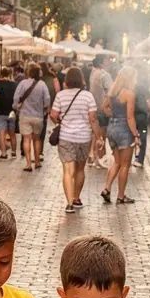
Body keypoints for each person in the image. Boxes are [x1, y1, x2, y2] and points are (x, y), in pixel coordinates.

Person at [50, 65, 99, 213]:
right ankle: (77, 198)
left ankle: (69, 203)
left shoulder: (61, 95)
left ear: (67, 80)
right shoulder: (88, 96)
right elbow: (93, 118)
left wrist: (60, 122)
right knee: (79, 170)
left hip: (65, 137)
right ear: (81, 80)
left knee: (67, 170)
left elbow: (53, 114)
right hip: (84, 137)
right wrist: (98, 136)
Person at [101, 66, 140, 205]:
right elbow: (130, 117)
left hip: (112, 128)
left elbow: (104, 107)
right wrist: (136, 134)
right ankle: (121, 196)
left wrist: (114, 117)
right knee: (125, 165)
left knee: (117, 162)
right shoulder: (129, 94)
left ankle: (106, 189)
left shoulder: (112, 91)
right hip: (124, 130)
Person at [13, 62, 51, 172]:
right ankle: (37, 161)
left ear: (29, 72)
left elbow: (16, 98)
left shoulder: (23, 83)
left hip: (25, 115)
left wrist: (16, 108)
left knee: (26, 139)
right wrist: (44, 109)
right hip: (38, 116)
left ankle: (28, 164)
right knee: (37, 139)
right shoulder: (42, 84)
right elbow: (47, 99)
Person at [89, 54, 113, 168]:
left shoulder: (93, 73)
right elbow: (111, 92)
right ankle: (101, 158)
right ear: (102, 62)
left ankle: (93, 157)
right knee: (102, 134)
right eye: (107, 59)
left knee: (96, 133)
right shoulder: (104, 74)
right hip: (103, 108)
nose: (109, 61)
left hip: (94, 106)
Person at [0, 66, 18, 159]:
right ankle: (14, 152)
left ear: (0, 74)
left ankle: (3, 153)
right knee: (12, 133)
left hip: (1, 112)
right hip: (12, 112)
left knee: (2, 134)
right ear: (10, 74)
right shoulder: (14, 84)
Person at [133, 66, 150, 169]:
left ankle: (137, 157)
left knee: (134, 136)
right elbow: (145, 101)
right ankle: (140, 159)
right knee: (142, 137)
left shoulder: (132, 86)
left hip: (134, 115)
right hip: (141, 117)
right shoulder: (143, 85)